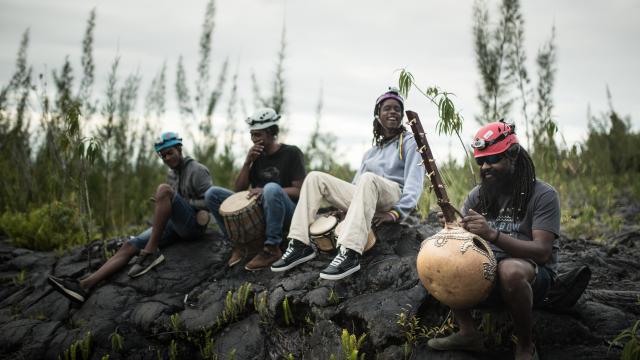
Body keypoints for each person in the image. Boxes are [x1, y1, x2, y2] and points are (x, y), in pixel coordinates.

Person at [427, 120, 560, 360]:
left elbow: (542, 252)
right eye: (481, 161)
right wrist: (453, 228)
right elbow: (463, 241)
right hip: (486, 272)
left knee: (509, 270)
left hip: (531, 275)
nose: (486, 166)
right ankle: (468, 333)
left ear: (513, 155)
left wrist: (492, 234)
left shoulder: (544, 195)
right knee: (445, 254)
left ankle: (525, 345)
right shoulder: (478, 195)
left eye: (494, 159)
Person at [270, 88, 425, 280]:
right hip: (368, 194)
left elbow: (414, 185)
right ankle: (299, 243)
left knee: (368, 178)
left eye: (397, 109)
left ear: (402, 115)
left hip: (392, 196)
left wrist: (395, 213)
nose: (392, 112)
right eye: (387, 108)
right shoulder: (371, 153)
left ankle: (350, 252)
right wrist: (342, 208)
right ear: (378, 115)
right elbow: (355, 186)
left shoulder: (410, 142)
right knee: (315, 177)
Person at [48, 132, 213, 304]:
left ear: (179, 148)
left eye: (170, 152)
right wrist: (164, 203)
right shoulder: (172, 175)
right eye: (163, 155)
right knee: (129, 245)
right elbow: (173, 200)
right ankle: (83, 286)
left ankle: (150, 253)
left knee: (163, 189)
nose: (166, 158)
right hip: (175, 224)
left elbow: (210, 201)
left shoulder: (197, 170)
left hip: (193, 226)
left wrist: (177, 201)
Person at [205, 108, 306, 271]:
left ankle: (272, 248)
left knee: (271, 188)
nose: (253, 139)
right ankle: (239, 244)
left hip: (288, 212)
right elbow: (239, 190)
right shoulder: (256, 156)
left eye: (258, 135)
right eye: (252, 134)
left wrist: (266, 190)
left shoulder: (291, 153)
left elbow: (300, 191)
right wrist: (247, 162)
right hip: (260, 208)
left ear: (271, 132)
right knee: (212, 194)